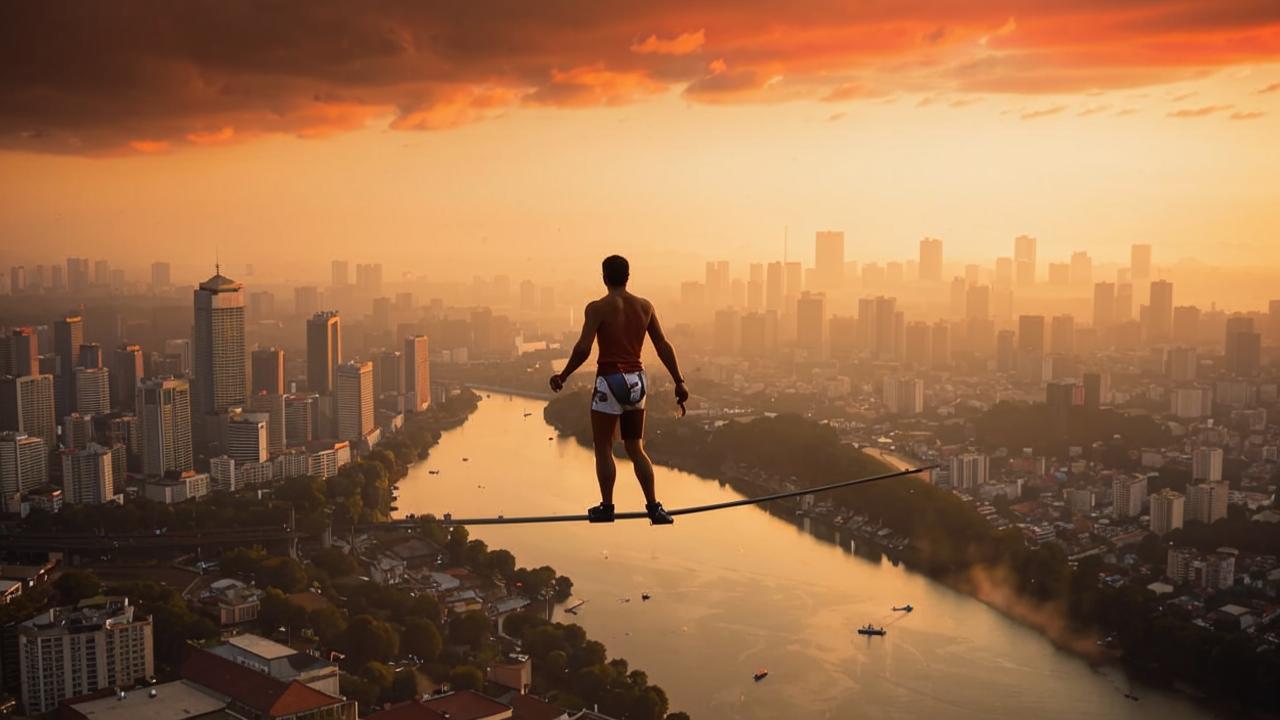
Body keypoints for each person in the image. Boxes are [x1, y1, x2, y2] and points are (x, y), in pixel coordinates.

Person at [549, 255, 690, 524]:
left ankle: (607, 507)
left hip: (609, 380)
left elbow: (583, 348)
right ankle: (655, 508)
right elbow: (663, 345)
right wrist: (679, 380)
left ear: (604, 277)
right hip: (637, 382)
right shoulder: (644, 307)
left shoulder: (597, 308)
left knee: (603, 446)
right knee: (636, 448)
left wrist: (563, 375)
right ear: (628, 276)